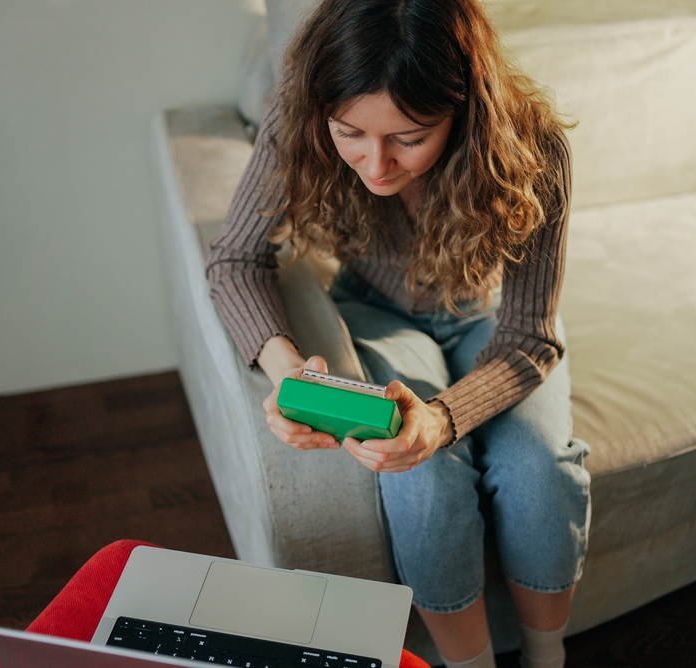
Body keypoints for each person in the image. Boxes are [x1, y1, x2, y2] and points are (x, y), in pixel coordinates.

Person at [206, 1, 591, 667]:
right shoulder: (298, 106)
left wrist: (443, 419)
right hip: (377, 311)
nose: (376, 165)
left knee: (536, 468)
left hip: (493, 321)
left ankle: (546, 654)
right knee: (417, 473)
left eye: (409, 138)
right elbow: (235, 261)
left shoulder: (535, 143)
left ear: (465, 110)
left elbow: (531, 334)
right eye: (349, 132)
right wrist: (289, 371)